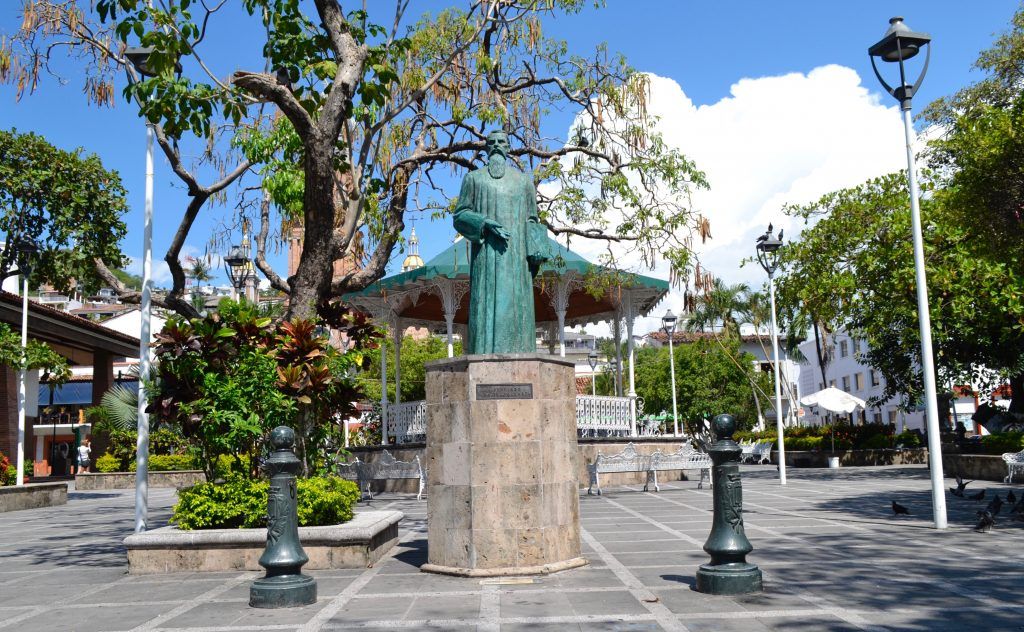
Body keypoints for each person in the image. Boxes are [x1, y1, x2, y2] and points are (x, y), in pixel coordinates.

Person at [452, 130, 550, 353]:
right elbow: (459, 216)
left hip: (516, 260)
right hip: (486, 256)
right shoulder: (473, 179)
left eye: (501, 142)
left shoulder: (524, 182)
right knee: (484, 310)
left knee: (517, 310)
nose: (496, 145)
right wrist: (483, 222)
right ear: (486, 149)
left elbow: (532, 219)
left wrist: (536, 252)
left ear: (507, 148)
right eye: (491, 142)